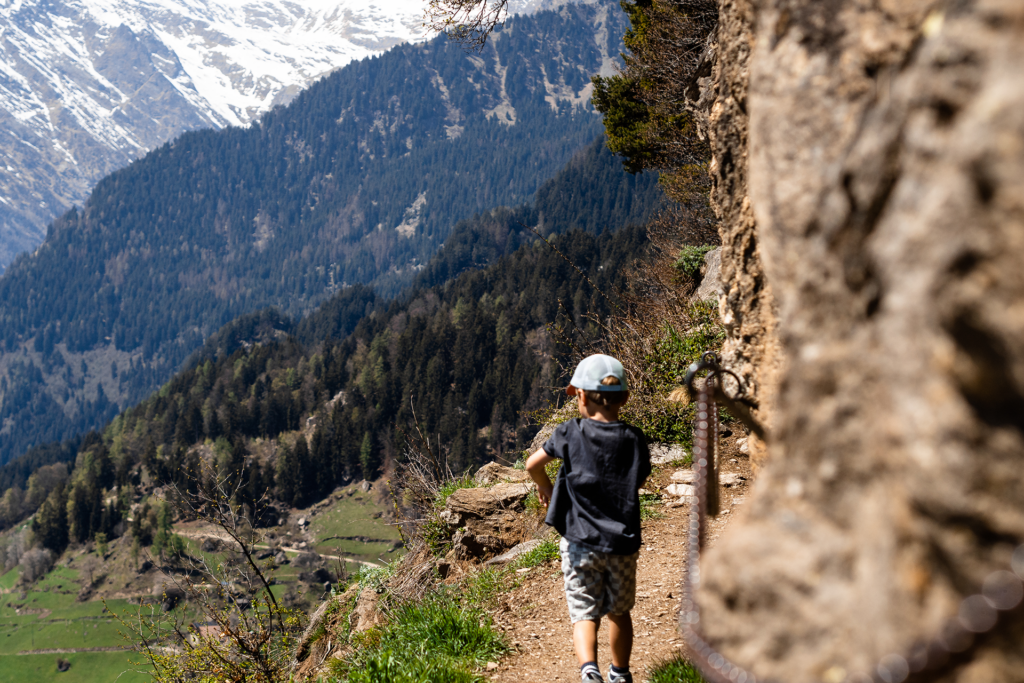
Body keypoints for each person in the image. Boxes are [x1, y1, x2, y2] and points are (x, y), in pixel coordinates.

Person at [526, 353, 651, 683]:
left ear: (580, 396)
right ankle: (620, 673)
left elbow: (532, 464)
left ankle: (589, 670)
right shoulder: (635, 439)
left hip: (580, 542)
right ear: (624, 397)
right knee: (620, 612)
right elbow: (637, 481)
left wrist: (547, 488)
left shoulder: (569, 433)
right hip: (622, 544)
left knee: (584, 612)